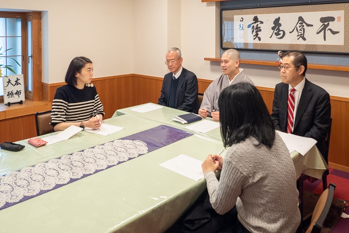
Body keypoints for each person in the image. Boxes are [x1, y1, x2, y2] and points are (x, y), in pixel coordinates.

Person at [201, 83, 301, 233]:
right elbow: (256, 167)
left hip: (262, 229)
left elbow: (220, 206)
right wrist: (228, 166)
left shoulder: (238, 153)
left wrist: (208, 172)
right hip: (291, 224)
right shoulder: (273, 135)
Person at [271, 51, 331, 162]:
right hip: (283, 145)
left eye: (286, 67)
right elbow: (274, 117)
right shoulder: (280, 89)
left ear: (300, 70)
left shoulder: (319, 95)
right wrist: (281, 140)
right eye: (281, 66)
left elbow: (319, 129)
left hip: (308, 149)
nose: (282, 71)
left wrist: (296, 144)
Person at [51, 56, 105, 131]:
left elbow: (99, 111)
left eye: (92, 70)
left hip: (89, 131)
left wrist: (98, 120)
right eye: (88, 70)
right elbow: (57, 126)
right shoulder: (62, 92)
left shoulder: (91, 88)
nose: (92, 74)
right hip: (70, 134)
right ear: (76, 73)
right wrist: (84, 124)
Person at [199, 49, 254, 121]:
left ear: (236, 63)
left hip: (236, 128)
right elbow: (207, 102)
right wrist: (204, 111)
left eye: (226, 62)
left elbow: (249, 115)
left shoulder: (247, 85)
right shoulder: (218, 82)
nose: (222, 65)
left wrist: (225, 117)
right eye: (221, 62)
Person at [158, 47, 199, 113]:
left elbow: (189, 103)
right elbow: (162, 99)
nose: (170, 64)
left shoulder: (190, 77)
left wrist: (173, 114)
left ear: (180, 60)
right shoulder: (167, 77)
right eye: (168, 61)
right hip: (168, 115)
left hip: (185, 115)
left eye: (172, 61)